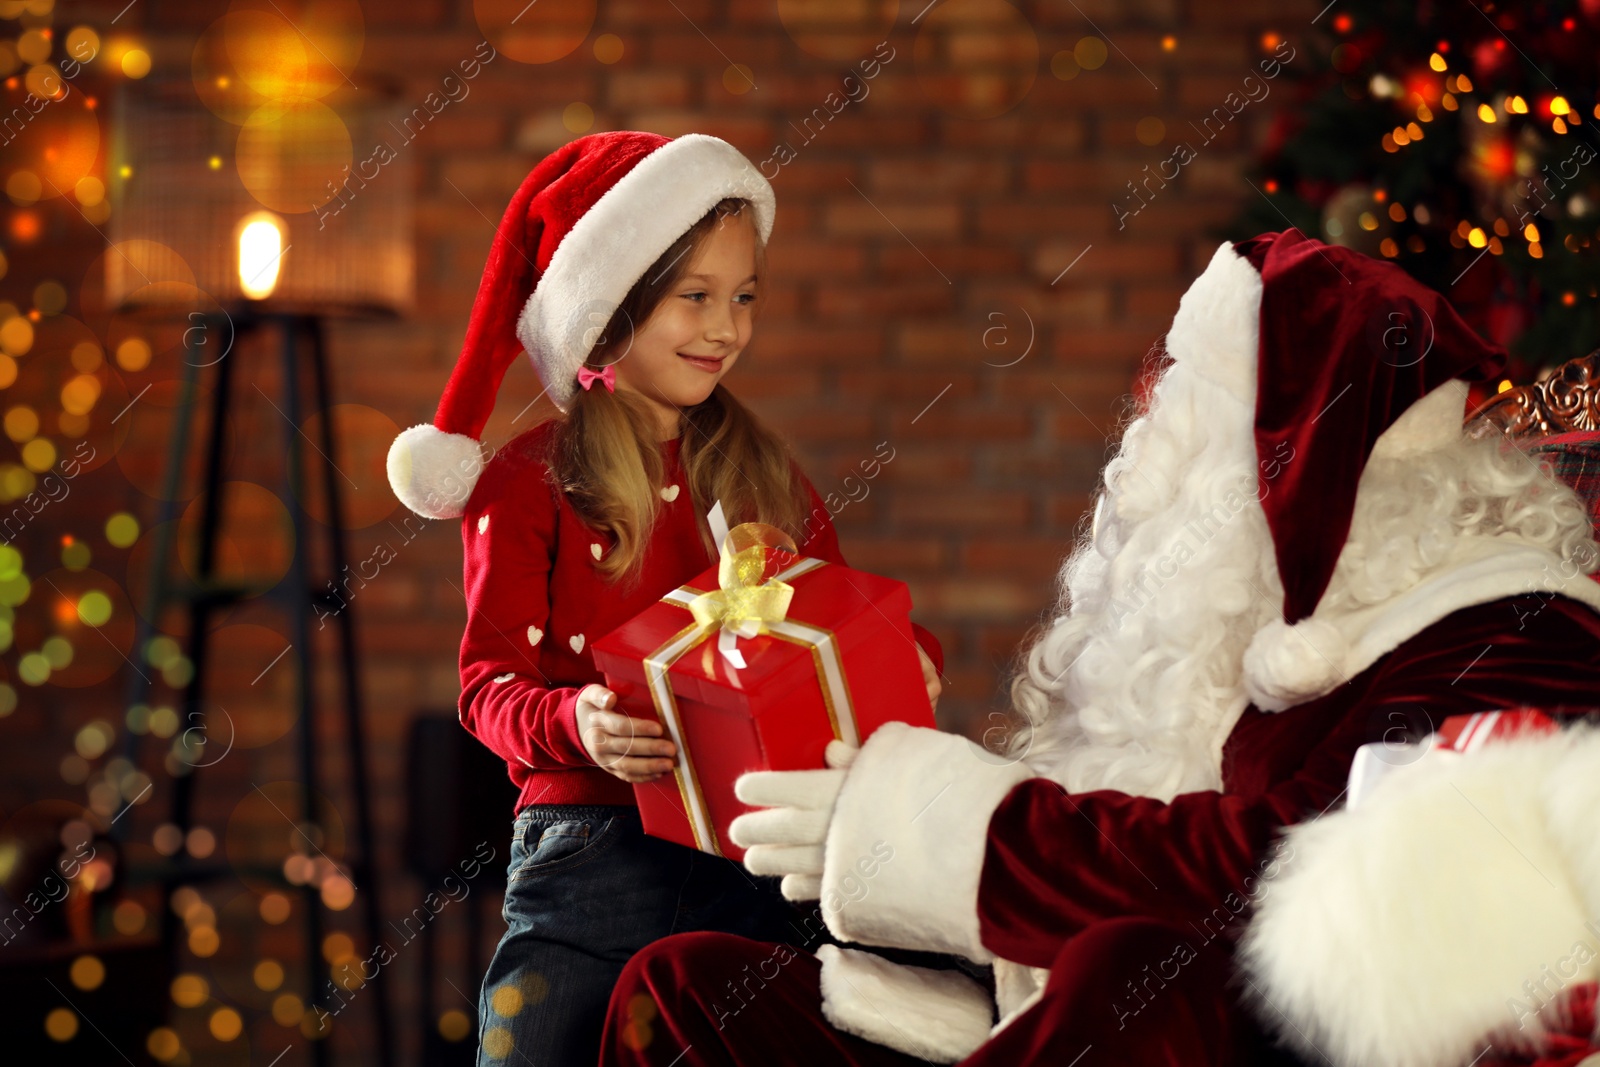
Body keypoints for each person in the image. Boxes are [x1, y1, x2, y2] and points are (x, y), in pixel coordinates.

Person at [594, 227, 1600, 1065]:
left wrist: (951, 831)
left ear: (1299, 470)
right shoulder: (1251, 642)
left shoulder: (1514, 629)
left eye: (1189, 422)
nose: (1148, 431)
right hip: (1054, 1014)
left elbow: (1295, 880)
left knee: (1127, 971)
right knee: (687, 988)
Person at [385, 131, 945, 1067]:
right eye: (694, 297)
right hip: (592, 851)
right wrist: (578, 723)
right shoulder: (527, 485)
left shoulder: (767, 471)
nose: (725, 328)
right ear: (610, 308)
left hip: (761, 857)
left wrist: (906, 655)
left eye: (743, 298)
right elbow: (485, 686)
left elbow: (836, 624)